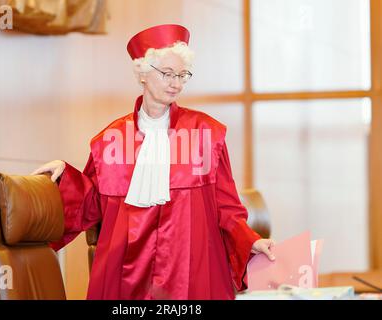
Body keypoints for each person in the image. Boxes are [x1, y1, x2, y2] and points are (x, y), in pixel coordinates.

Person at [32, 24, 275, 300]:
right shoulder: (111, 139)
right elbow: (90, 204)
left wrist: (251, 240)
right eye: (168, 74)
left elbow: (227, 207)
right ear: (143, 73)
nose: (177, 83)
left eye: (183, 75)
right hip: (127, 272)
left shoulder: (207, 134)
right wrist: (67, 175)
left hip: (191, 269)